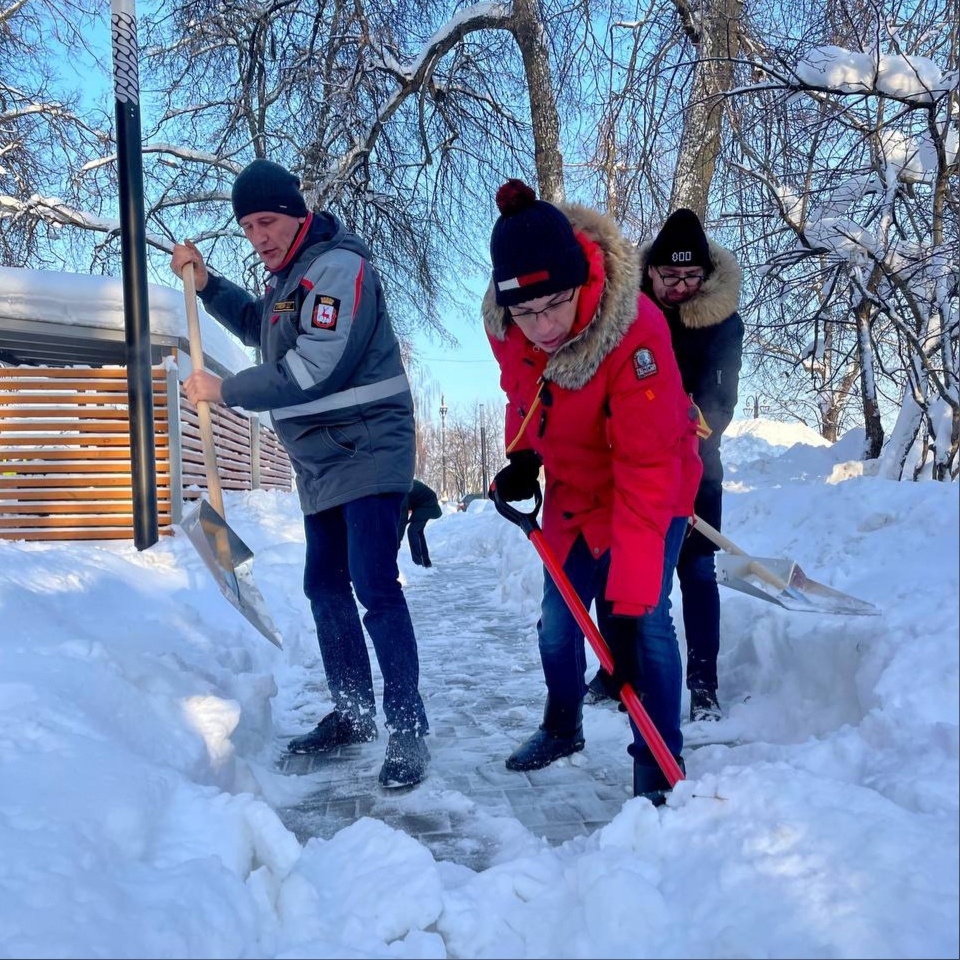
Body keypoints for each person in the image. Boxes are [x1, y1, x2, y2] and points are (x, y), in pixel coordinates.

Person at [169, 158, 430, 788]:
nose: (258, 236)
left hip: (367, 448)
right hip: (320, 462)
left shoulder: (339, 268)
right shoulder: (290, 280)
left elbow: (315, 367)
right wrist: (208, 286)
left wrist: (226, 390)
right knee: (323, 585)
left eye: (266, 220)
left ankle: (407, 728)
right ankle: (352, 713)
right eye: (247, 226)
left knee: (372, 583)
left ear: (297, 213)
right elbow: (267, 327)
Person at [482, 179, 703, 804]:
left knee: (648, 625)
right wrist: (522, 455)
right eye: (524, 312)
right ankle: (562, 726)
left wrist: (628, 605)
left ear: (581, 278)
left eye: (552, 304)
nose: (541, 326)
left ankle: (658, 771)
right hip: (575, 494)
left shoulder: (636, 337)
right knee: (557, 624)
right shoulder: (512, 327)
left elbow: (647, 474)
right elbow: (523, 392)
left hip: (649, 490)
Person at [586, 208, 744, 723]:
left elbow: (720, 399)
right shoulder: (623, 313)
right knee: (622, 571)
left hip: (698, 466)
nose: (681, 286)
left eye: (692, 276)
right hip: (630, 468)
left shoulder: (722, 320)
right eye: (670, 276)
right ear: (649, 270)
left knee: (697, 573)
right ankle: (619, 672)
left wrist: (684, 433)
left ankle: (703, 686)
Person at [398, 479, 442, 567]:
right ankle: (425, 562)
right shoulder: (400, 484)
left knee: (412, 531)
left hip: (428, 505)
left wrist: (397, 540)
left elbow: (403, 518)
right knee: (417, 531)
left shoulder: (402, 489)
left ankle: (418, 563)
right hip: (425, 504)